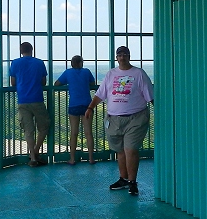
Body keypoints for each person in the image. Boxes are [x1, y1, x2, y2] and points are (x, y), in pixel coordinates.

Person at [85, 46, 153, 195]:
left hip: (135, 118)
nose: (122, 57)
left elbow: (150, 96)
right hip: (114, 119)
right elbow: (100, 94)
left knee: (130, 149)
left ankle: (132, 182)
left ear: (129, 56)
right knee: (120, 151)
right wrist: (90, 108)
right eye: (119, 55)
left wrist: (161, 113)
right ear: (116, 57)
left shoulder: (139, 74)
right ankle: (123, 179)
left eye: (125, 54)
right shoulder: (111, 74)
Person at [9, 42, 50, 166]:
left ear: (21, 51)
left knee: (28, 131)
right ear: (32, 50)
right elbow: (43, 82)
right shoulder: (39, 62)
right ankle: (37, 151)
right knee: (44, 127)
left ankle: (32, 158)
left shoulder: (15, 63)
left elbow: (13, 83)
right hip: (37, 99)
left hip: (22, 100)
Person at [54, 55, 98, 165]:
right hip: (87, 105)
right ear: (81, 63)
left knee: (74, 133)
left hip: (73, 105)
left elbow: (56, 84)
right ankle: (91, 158)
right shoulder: (86, 72)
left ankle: (72, 159)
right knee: (88, 133)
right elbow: (92, 83)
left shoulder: (68, 73)